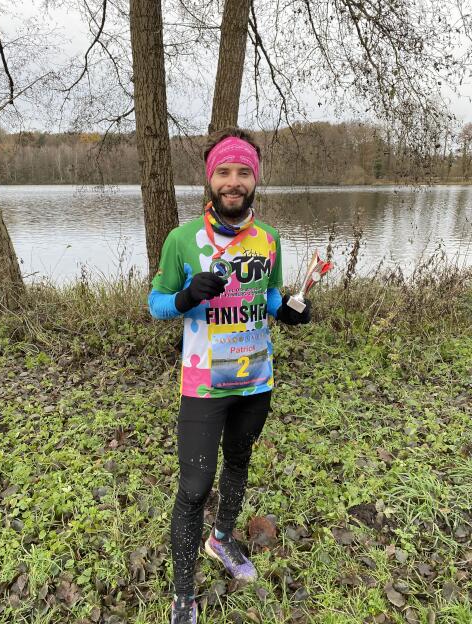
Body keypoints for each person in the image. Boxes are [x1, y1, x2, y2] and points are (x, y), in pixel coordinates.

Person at [149, 127, 311, 624]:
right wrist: (184, 297)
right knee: (195, 486)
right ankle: (183, 596)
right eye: (224, 171)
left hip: (255, 380)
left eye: (243, 172)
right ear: (210, 179)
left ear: (255, 179)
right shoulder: (182, 240)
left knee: (238, 463)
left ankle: (220, 540)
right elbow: (156, 304)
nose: (233, 181)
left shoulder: (269, 239)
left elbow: (270, 294)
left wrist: (290, 310)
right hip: (203, 385)